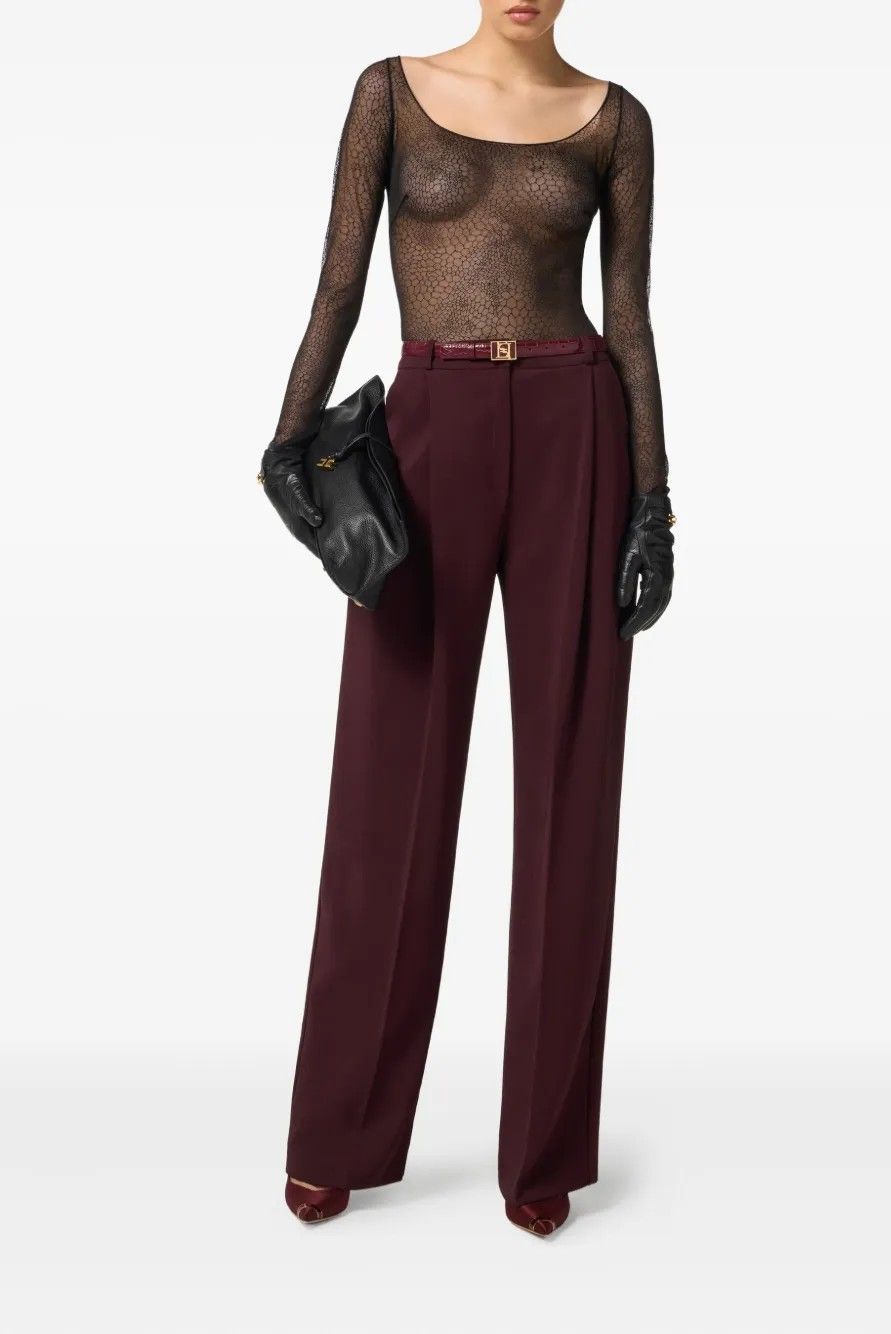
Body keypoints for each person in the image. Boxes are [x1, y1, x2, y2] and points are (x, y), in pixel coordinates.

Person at [261, 0, 675, 1238]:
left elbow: (629, 313)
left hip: (576, 426)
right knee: (386, 789)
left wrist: (654, 502)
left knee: (570, 787)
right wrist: (287, 437)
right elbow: (340, 280)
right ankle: (340, 1132)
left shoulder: (615, 120)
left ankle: (542, 1149)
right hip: (428, 424)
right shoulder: (388, 92)